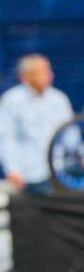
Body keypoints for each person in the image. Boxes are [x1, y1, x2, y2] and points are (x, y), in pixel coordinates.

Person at [0, 55, 73, 194]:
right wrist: (13, 170)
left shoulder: (59, 99)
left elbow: (70, 136)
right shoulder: (11, 101)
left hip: (61, 171)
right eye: (43, 72)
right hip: (30, 176)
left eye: (49, 70)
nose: (50, 75)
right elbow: (6, 139)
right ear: (26, 76)